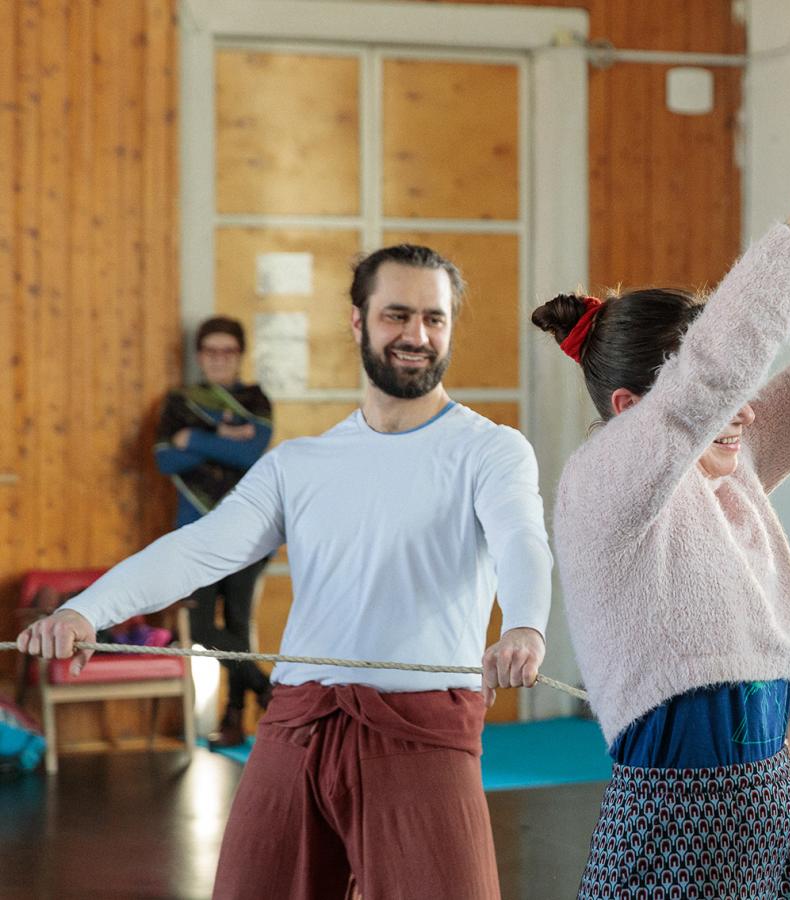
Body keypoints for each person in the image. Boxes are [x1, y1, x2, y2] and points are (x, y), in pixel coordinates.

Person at [16, 244, 554, 900]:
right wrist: (85, 611)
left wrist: (525, 626)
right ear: (358, 321)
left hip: (422, 733)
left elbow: (521, 541)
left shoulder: (491, 450)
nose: (417, 335)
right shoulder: (299, 464)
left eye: (434, 320)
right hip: (297, 723)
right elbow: (196, 549)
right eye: (396, 315)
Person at [531, 85, 790, 898]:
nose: (742, 409)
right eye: (715, 398)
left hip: (768, 809)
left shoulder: (723, 466)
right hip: (673, 831)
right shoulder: (603, 485)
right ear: (631, 411)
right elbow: (718, 368)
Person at [155, 315, 274, 747]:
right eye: (211, 351)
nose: (219, 359)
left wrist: (196, 438)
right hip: (196, 532)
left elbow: (252, 451)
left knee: (240, 624)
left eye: (228, 351)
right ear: (199, 356)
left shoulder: (256, 399)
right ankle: (267, 690)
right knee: (200, 626)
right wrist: (224, 435)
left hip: (249, 530)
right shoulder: (179, 401)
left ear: (240, 355)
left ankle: (233, 718)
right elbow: (165, 460)